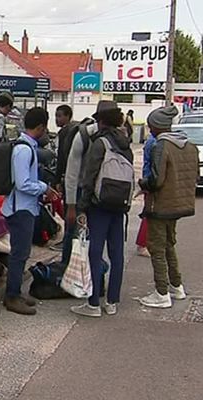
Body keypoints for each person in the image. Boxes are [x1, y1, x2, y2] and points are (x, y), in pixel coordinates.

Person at [71, 100, 134, 318]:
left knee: (94, 252)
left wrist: (82, 206)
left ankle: (93, 303)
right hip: (120, 206)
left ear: (101, 121)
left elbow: (89, 178)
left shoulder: (100, 143)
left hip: (99, 206)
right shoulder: (126, 143)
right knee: (117, 254)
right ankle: (113, 301)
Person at [138, 106, 198, 308]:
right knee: (169, 245)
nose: (150, 129)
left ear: (156, 126)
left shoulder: (161, 146)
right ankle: (176, 285)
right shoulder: (188, 145)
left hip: (160, 204)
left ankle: (161, 292)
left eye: (151, 126)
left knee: (156, 247)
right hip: (180, 204)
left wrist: (143, 184)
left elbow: (156, 180)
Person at [3, 107, 59, 315]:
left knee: (23, 252)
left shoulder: (27, 147)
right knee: (19, 253)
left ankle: (16, 292)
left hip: (26, 207)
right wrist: (44, 188)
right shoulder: (24, 149)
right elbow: (22, 183)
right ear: (41, 127)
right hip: (20, 209)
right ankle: (12, 296)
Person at [61, 116, 97, 264]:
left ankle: (81, 272)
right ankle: (67, 270)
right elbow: (72, 173)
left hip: (94, 193)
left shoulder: (113, 136)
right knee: (74, 233)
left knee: (85, 235)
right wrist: (71, 205)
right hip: (81, 192)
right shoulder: (84, 136)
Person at [49, 104, 78, 253]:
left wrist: (57, 180)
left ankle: (67, 241)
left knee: (69, 209)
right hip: (76, 177)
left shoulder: (65, 132)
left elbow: (61, 158)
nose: (57, 119)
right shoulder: (75, 130)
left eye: (60, 115)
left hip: (68, 176)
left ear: (68, 116)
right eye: (56, 115)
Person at [135, 133, 157, 257]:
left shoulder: (152, 141)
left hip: (148, 180)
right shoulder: (154, 143)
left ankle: (145, 243)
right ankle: (143, 244)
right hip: (151, 182)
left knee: (149, 213)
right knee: (149, 213)